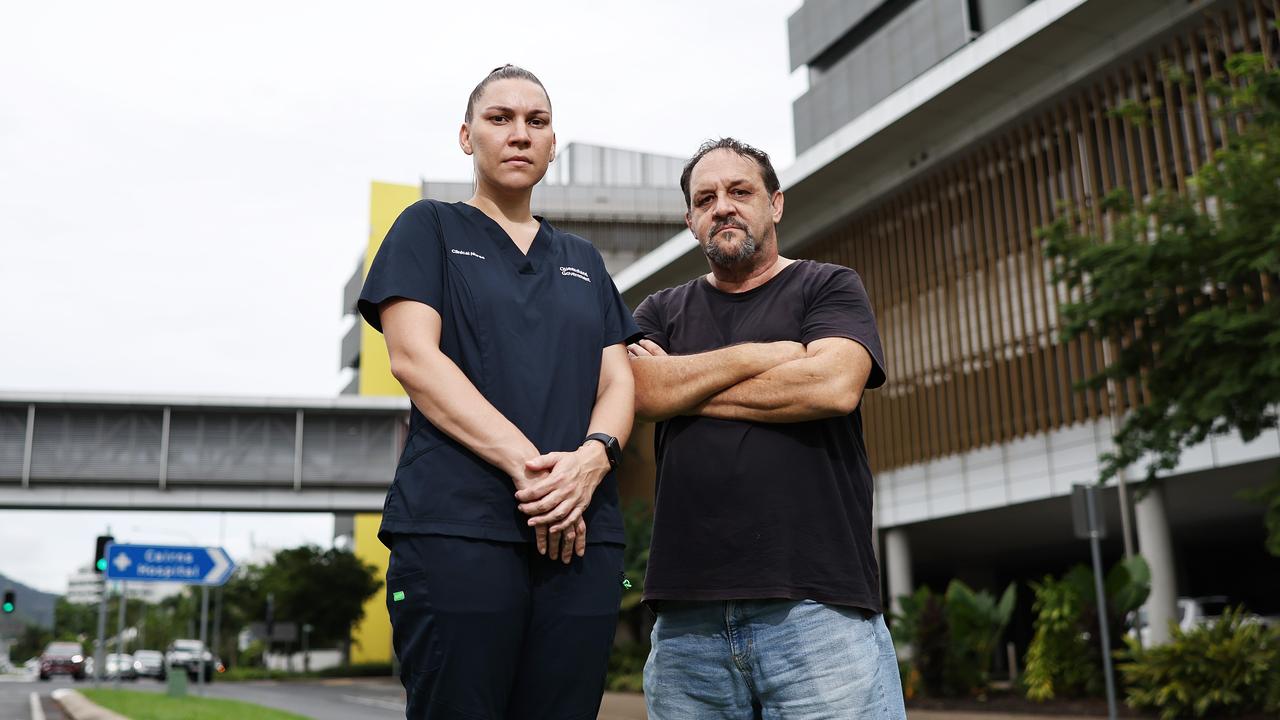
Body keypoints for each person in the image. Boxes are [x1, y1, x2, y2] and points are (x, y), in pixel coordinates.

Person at [357, 64, 640, 720]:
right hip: (460, 530)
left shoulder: (585, 261)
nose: (519, 134)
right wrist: (534, 470)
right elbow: (413, 357)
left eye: (536, 122)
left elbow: (619, 380)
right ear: (467, 137)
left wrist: (592, 459)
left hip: (580, 536)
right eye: (500, 119)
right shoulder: (428, 228)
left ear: (552, 145)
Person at [629, 138, 906, 719]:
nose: (722, 206)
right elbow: (640, 392)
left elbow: (831, 386)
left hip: (816, 611)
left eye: (740, 191)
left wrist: (687, 388)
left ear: (775, 204)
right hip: (687, 623)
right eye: (705, 198)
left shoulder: (827, 287)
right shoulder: (659, 311)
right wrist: (773, 355)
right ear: (690, 221)